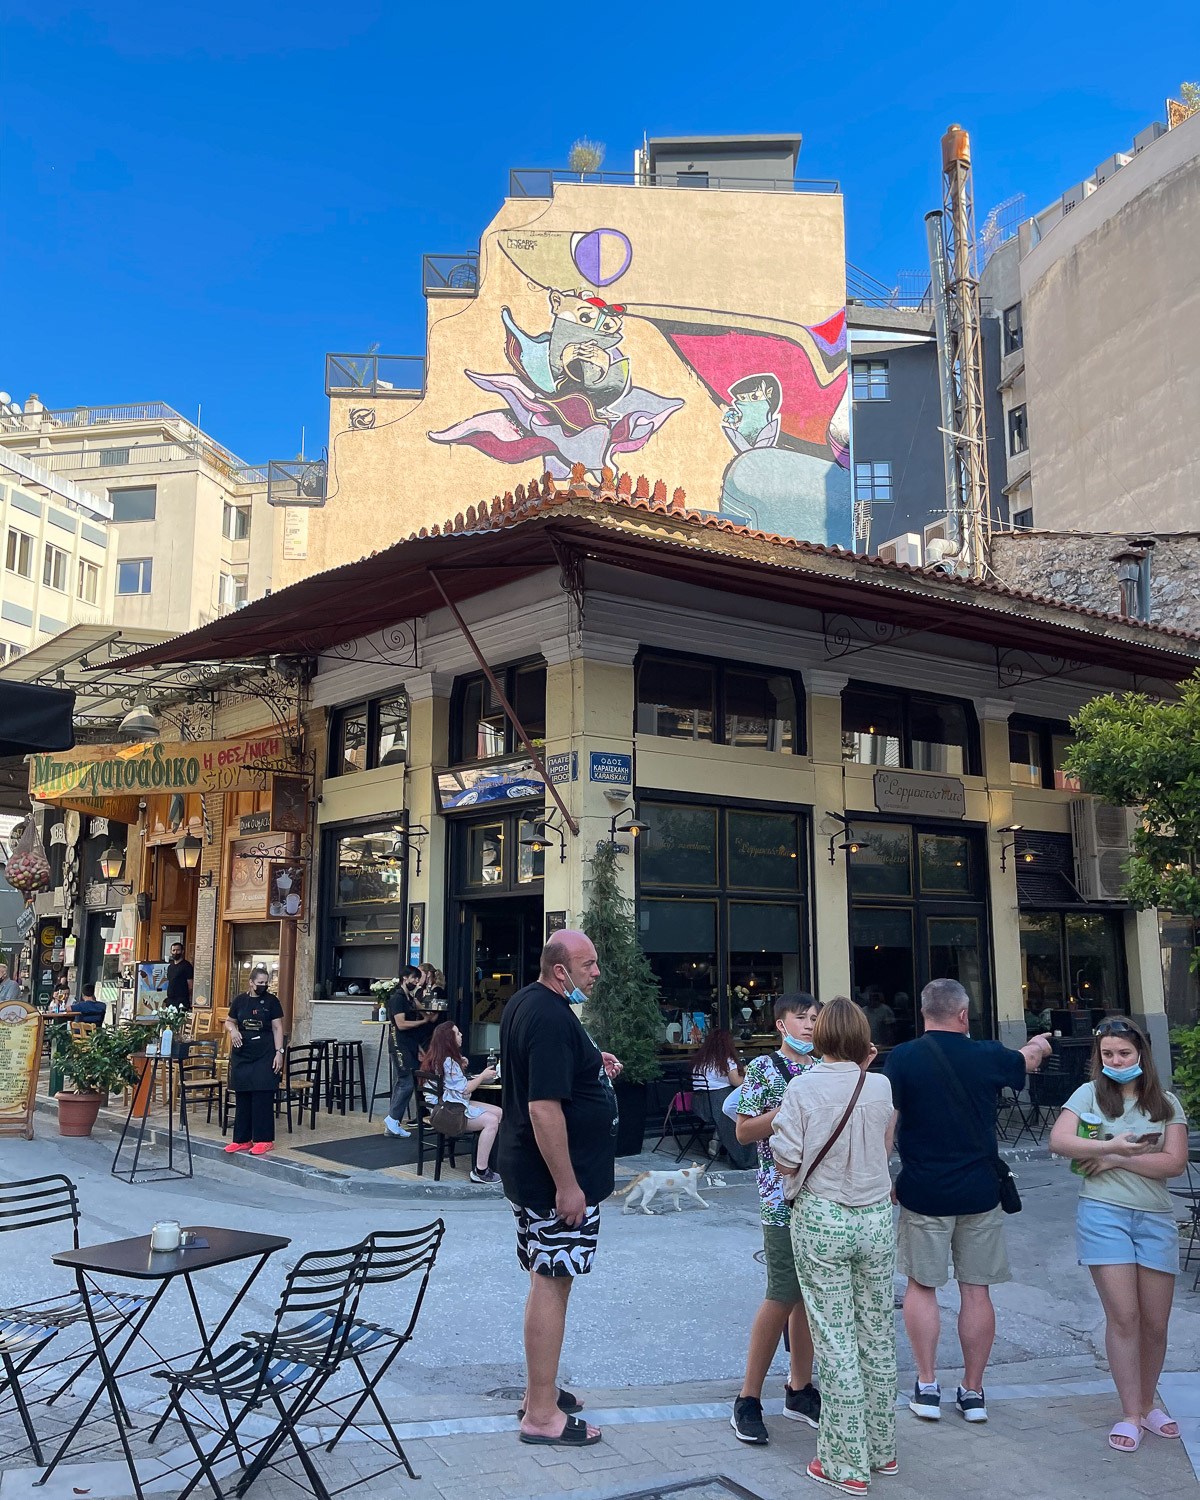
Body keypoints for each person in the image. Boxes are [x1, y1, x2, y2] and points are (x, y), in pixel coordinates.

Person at [885, 978, 1052, 1424]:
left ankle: (925, 1385)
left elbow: (889, 1120)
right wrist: (1037, 1043)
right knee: (976, 1291)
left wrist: (884, 1175)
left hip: (923, 1190)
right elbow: (1028, 1060)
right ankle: (973, 1392)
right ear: (963, 1016)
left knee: (922, 1287)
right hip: (980, 1190)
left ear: (923, 1013)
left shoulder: (901, 1058)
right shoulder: (989, 1055)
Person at [497, 930, 622, 1449]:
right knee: (553, 1280)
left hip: (536, 1175)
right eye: (589, 964)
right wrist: (568, 1186)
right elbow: (542, 1107)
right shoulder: (549, 1017)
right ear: (560, 969)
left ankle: (539, 1392)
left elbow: (544, 1077)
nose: (597, 972)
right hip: (554, 1184)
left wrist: (593, 1065)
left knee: (546, 1278)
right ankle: (542, 1416)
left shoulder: (531, 1002)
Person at [773, 997, 898, 1494]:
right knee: (876, 1332)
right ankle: (882, 1449)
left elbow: (785, 1158)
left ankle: (845, 1463)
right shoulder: (881, 1085)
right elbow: (884, 1143)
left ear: (819, 1036)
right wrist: (864, 1066)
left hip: (823, 1214)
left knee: (835, 1339)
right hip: (874, 1215)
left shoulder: (802, 1088)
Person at [1048, 1016, 1188, 1453]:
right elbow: (1059, 1140)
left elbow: (1174, 1163)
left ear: (1142, 1054)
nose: (1116, 1061)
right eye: (1108, 1054)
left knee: (1156, 1322)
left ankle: (1149, 1405)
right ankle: (1130, 1412)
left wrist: (1115, 1160)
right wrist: (1113, 1147)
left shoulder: (1166, 1105)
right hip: (1103, 1214)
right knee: (1124, 1317)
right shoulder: (1088, 1094)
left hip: (1155, 1218)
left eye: (1124, 1053)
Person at [731, 993, 822, 1444]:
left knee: (807, 1293)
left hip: (823, 1197)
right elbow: (744, 1131)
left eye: (816, 1019)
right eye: (801, 1018)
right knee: (783, 1290)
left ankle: (800, 1388)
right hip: (779, 1197)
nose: (810, 1026)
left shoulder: (828, 1066)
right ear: (781, 1024)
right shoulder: (764, 1069)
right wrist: (786, 1112)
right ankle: (748, 1398)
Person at [424, 1021, 503, 1184]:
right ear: (449, 1039)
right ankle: (481, 1170)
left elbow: (454, 1087)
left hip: (448, 1106)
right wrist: (482, 1076)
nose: (461, 1036)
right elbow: (465, 1090)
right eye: (457, 1033)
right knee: (492, 1121)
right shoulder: (449, 1062)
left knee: (499, 1112)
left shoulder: (439, 1058)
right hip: (450, 1112)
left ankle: (490, 1158)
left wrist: (461, 1064)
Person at [224, 965, 284, 1156]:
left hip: (264, 1053)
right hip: (243, 1054)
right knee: (243, 1095)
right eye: (260, 983)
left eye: (265, 983)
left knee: (262, 1095)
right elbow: (229, 1020)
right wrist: (233, 1030)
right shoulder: (240, 1001)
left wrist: (279, 1052)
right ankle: (242, 1139)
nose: (263, 986)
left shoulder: (272, 1001)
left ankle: (264, 1139)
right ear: (251, 983)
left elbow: (277, 1028)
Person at [691, 1026, 755, 1170]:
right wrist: (747, 1074)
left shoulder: (701, 1060)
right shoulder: (726, 1059)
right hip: (718, 1103)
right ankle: (746, 1159)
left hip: (699, 1104)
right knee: (746, 1116)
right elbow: (737, 1082)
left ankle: (717, 1138)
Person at [383, 967, 428, 1139]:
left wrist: (419, 1048)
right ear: (404, 978)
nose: (416, 982)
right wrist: (421, 1022)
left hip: (410, 1045)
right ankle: (393, 1119)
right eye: (413, 979)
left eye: (418, 979)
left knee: (404, 1082)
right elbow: (401, 1024)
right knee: (406, 1082)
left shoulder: (409, 998)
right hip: (399, 1046)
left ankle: (393, 1123)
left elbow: (425, 1014)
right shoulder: (397, 998)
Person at [166, 942, 194, 1012]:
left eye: (178, 950)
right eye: (173, 950)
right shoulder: (170, 967)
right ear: (171, 951)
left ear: (182, 951)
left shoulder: (187, 966)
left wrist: (190, 1000)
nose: (175, 952)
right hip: (170, 1000)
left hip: (182, 1000)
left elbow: (190, 985)